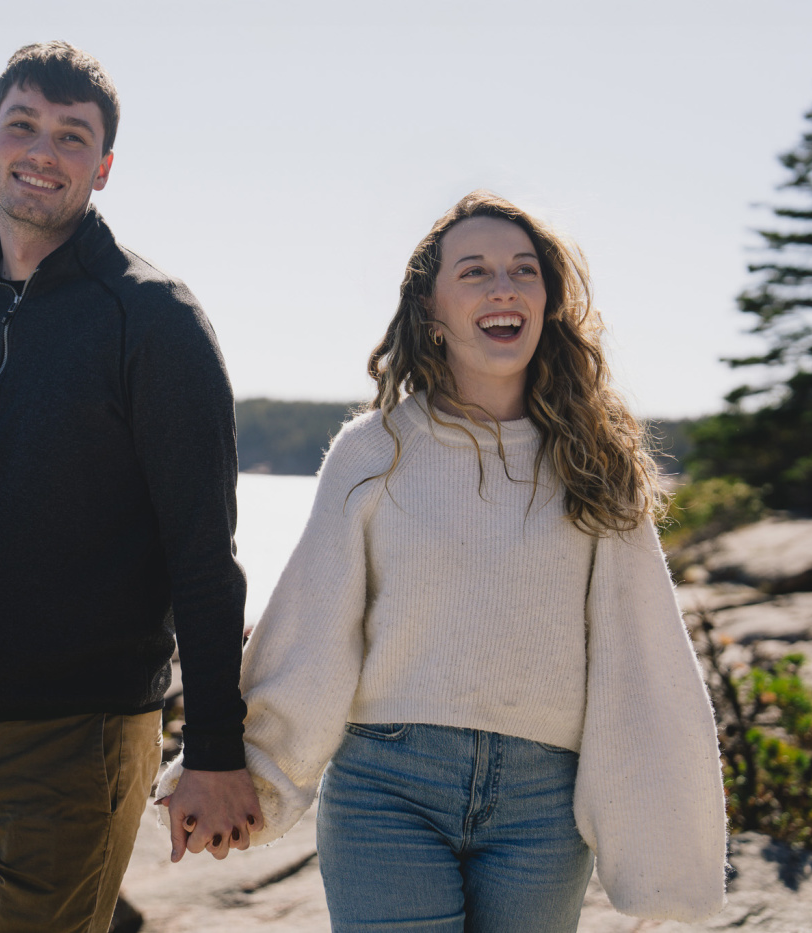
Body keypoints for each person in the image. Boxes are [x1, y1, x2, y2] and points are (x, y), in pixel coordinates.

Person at [158, 191, 727, 929]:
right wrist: (230, 768)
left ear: (547, 301)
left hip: (542, 806)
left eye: (524, 269)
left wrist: (662, 842)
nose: (504, 286)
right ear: (432, 310)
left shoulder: (596, 464)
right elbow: (312, 634)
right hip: (388, 790)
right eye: (476, 271)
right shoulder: (372, 452)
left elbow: (642, 651)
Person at [0, 40, 260, 933]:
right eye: (24, 125)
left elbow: (203, 554)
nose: (42, 150)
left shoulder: (153, 318)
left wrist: (213, 751)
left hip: (70, 748)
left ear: (105, 166)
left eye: (72, 135)